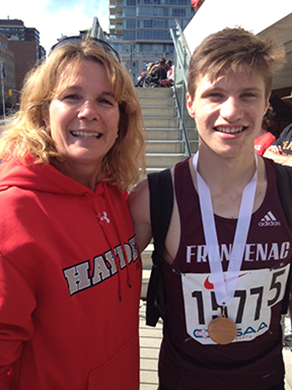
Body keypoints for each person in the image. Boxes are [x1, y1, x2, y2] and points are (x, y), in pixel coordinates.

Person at [128, 27, 290, 390]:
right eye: (214, 94)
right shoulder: (153, 197)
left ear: (266, 103)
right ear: (190, 102)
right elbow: (103, 294)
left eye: (248, 95)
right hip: (182, 380)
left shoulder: (289, 192)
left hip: (267, 380)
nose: (231, 111)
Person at [0, 36, 145, 390]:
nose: (88, 111)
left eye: (105, 100)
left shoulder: (114, 194)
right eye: (71, 96)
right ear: (41, 113)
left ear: (120, 121)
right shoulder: (13, 214)